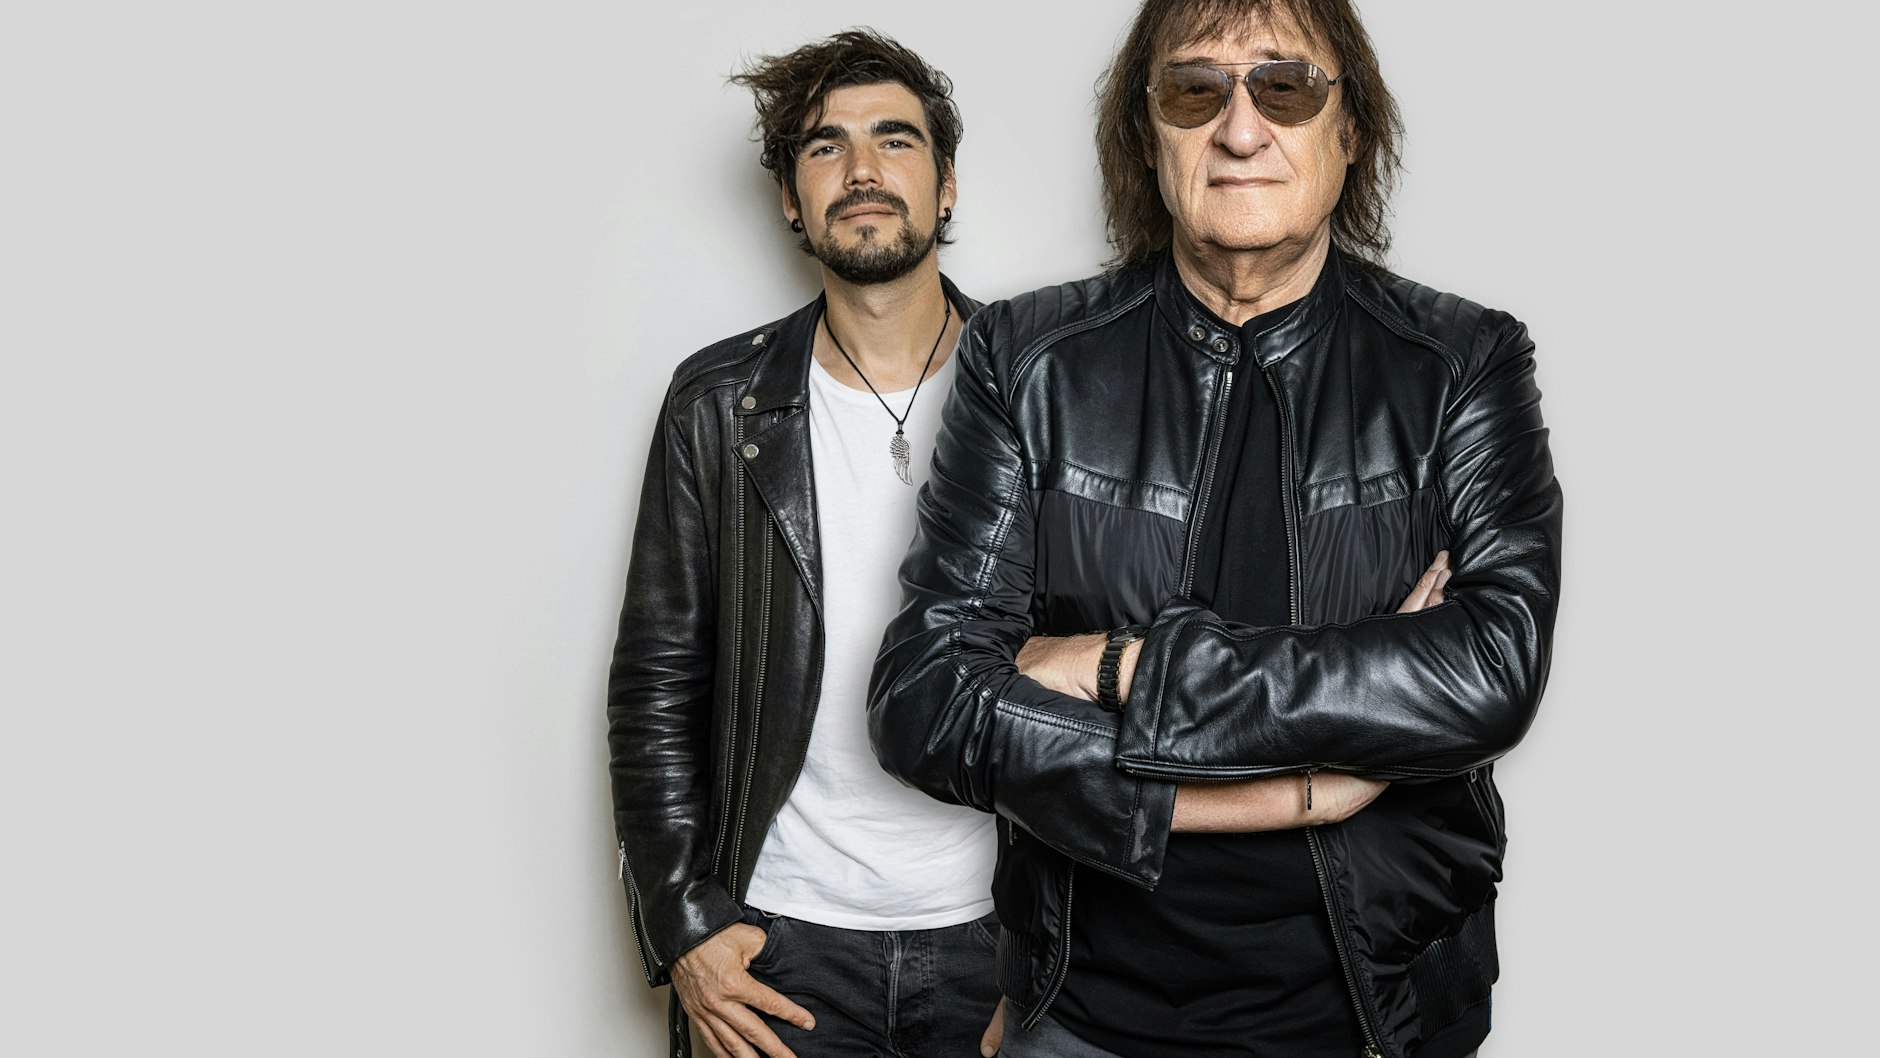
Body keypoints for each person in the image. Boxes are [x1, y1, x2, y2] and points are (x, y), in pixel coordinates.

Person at [869, 1, 1562, 1056]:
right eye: (1195, 91)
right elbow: (924, 697)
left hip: (1382, 1018)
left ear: (1349, 129)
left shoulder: (1461, 365)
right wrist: (1300, 790)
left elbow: (1491, 670)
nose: (1241, 129)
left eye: (1285, 87)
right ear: (1147, 136)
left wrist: (1111, 669)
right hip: (1084, 1014)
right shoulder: (1027, 360)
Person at [606, 29, 1001, 1058]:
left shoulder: (1042, 390)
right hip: (781, 944)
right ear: (790, 198)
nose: (862, 169)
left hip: (996, 936)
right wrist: (683, 925)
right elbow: (655, 684)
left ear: (947, 186)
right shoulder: (716, 402)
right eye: (826, 147)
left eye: (895, 139)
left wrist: (1065, 953)